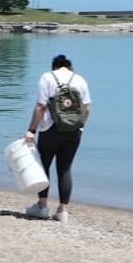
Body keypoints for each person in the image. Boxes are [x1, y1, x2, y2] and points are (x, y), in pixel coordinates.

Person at [23, 54, 92, 224]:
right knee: (65, 169)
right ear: (69, 66)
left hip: (49, 129)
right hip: (74, 131)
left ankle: (42, 206)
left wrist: (31, 130)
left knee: (44, 167)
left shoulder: (47, 77)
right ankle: (62, 211)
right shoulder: (80, 80)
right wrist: (79, 126)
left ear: (54, 66)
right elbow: (87, 108)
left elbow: (40, 107)